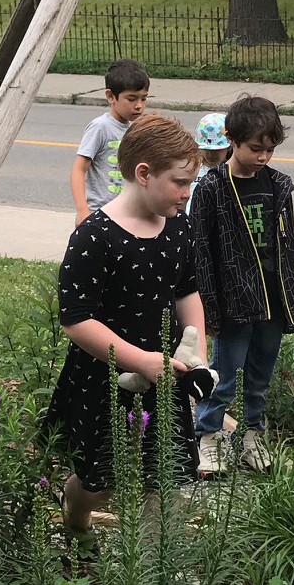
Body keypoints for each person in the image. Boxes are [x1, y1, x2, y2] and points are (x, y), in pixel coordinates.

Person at [46, 112, 212, 540]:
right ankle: (76, 519)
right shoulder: (95, 236)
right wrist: (140, 360)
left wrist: (196, 356)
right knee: (98, 482)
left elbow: (187, 291)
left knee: (167, 477)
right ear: (143, 174)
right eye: (180, 182)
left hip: (166, 374)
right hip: (103, 377)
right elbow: (76, 320)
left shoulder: (179, 225)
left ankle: (156, 573)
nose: (187, 193)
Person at [191, 94, 294, 475]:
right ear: (232, 141)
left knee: (259, 377)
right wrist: (209, 308)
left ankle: (252, 437)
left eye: (270, 149)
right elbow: (200, 252)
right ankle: (207, 436)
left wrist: (292, 301)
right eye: (256, 148)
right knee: (223, 375)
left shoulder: (277, 186)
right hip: (232, 301)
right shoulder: (211, 189)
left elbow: (289, 249)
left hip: (273, 299)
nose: (264, 157)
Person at [70, 58, 149, 224]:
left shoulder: (135, 129)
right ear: (110, 96)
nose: (139, 106)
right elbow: (78, 170)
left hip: (125, 213)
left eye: (143, 99)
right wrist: (82, 211)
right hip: (99, 214)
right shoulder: (100, 127)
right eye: (131, 98)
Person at [187, 112, 231, 212]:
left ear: (229, 147)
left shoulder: (233, 171)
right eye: (207, 150)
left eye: (217, 150)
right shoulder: (191, 168)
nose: (211, 154)